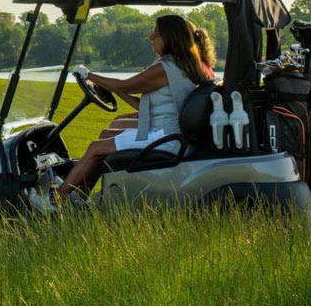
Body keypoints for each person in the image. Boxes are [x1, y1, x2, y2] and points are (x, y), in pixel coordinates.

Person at [55, 15, 216, 201]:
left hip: (166, 138)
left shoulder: (165, 69)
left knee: (95, 148)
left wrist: (88, 75)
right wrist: (112, 89)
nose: (151, 38)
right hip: (168, 134)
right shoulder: (181, 64)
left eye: (156, 34)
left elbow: (125, 85)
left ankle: (55, 202)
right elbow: (143, 105)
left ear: (169, 37)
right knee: (105, 137)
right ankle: (79, 196)